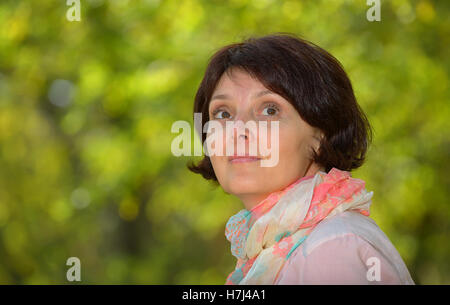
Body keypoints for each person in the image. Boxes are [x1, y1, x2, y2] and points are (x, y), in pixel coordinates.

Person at [187, 33, 414, 285]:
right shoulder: (274, 250)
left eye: (270, 110)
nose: (237, 130)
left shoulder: (331, 250)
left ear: (320, 136)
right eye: (223, 113)